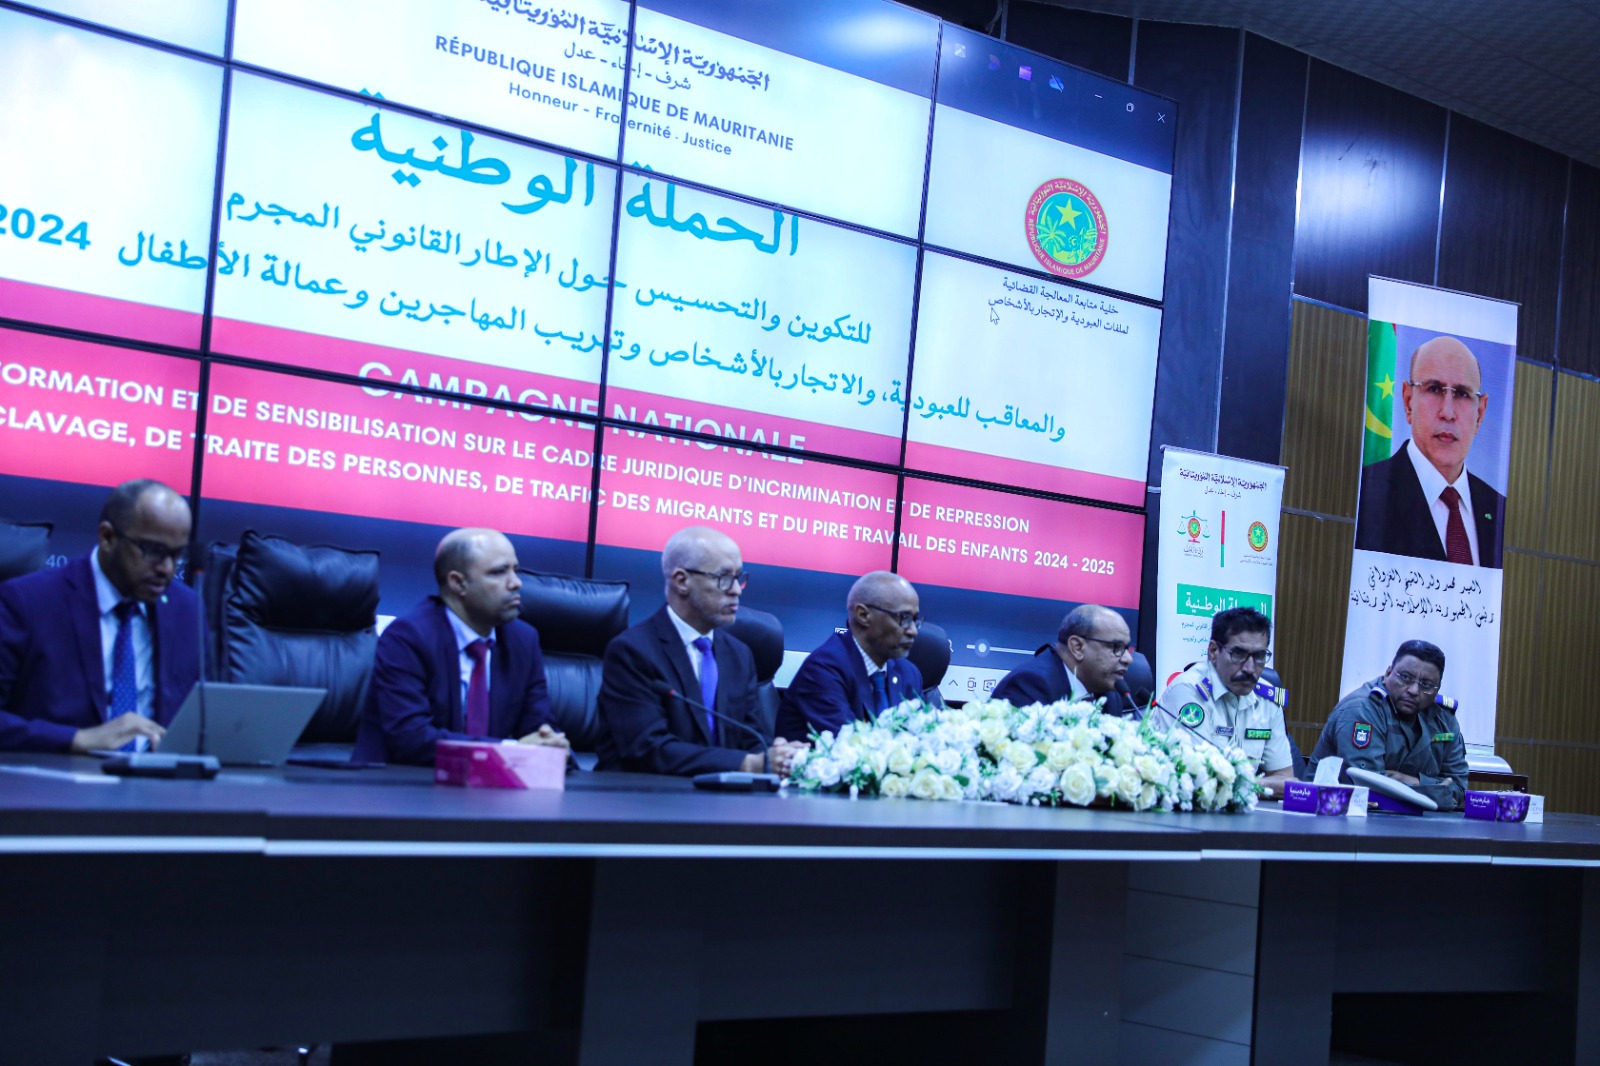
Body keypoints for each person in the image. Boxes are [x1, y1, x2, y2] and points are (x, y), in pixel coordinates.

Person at [0, 479, 201, 753]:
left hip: (157, 775)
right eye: (153, 551)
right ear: (107, 537)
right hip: (60, 773)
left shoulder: (187, 610)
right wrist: (76, 739)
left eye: (176, 555)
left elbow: (204, 716)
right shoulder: (28, 602)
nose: (167, 568)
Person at [595, 527, 805, 777]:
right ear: (682, 581)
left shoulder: (739, 655)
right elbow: (648, 749)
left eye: (738, 577)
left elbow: (750, 739)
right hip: (643, 794)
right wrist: (747, 764)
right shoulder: (632, 651)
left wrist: (774, 755)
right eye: (723, 577)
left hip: (721, 796)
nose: (736, 590)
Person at [354, 528, 568, 765]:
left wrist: (551, 744)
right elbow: (411, 739)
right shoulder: (407, 638)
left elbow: (539, 726)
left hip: (492, 782)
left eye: (515, 570)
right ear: (458, 583)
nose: (516, 583)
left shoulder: (523, 640)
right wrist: (511, 750)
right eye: (498, 572)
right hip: (403, 782)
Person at [1356, 335, 1505, 568]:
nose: (1447, 413)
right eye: (1434, 389)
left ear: (1480, 413)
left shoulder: (1500, 511)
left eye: (1462, 393)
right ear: (1408, 401)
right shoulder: (1366, 495)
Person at [1308, 639, 1467, 810]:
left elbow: (1458, 789)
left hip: (1407, 818)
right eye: (1405, 677)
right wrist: (1436, 790)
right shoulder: (1362, 710)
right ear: (1388, 673)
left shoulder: (1444, 719)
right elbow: (1369, 788)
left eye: (1426, 685)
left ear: (1437, 689)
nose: (1414, 690)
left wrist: (1409, 780)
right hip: (1333, 813)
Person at [1154, 607, 1293, 795]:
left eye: (1259, 656)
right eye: (1239, 654)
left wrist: (1247, 785)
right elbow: (1197, 781)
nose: (1250, 668)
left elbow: (1285, 780)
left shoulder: (1268, 699)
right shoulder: (1188, 691)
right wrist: (1261, 786)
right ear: (1213, 651)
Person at [775, 571, 924, 741]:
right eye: (904, 618)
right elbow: (851, 748)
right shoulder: (823, 671)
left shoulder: (908, 673)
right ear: (863, 615)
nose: (913, 631)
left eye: (915, 619)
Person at [988, 604, 1140, 717]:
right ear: (1078, 647)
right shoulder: (1030, 685)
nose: (1128, 659)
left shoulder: (1109, 696)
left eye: (1127, 649)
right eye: (1116, 647)